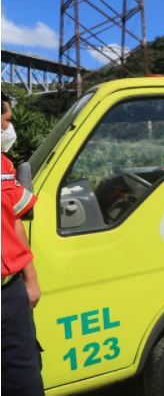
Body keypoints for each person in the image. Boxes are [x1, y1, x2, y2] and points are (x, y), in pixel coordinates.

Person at [1, 95, 45, 395]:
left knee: (25, 378)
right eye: (6, 120)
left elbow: (15, 219)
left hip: (11, 292)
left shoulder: (4, 165)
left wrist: (31, 280)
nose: (10, 127)